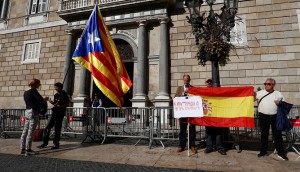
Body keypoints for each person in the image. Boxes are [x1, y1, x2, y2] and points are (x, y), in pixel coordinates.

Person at [255, 78, 288, 160]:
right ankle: (263, 151)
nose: (266, 85)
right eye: (265, 84)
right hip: (263, 116)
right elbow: (251, 99)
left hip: (275, 116)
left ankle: (281, 153)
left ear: (273, 85)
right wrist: (251, 93)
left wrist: (280, 103)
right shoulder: (260, 93)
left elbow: (284, 104)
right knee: (264, 134)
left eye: (268, 84)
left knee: (277, 135)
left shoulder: (278, 93)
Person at [21, 79, 48, 156]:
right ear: (35, 84)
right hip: (33, 112)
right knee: (31, 131)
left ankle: (22, 148)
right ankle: (28, 149)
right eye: (39, 84)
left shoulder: (26, 91)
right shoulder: (34, 91)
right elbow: (39, 100)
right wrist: (44, 100)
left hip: (27, 111)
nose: (39, 85)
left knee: (25, 130)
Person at [38, 82, 69, 150]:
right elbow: (55, 103)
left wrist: (60, 106)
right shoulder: (56, 95)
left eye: (56, 87)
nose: (55, 89)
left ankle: (56, 144)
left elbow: (67, 104)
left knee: (57, 129)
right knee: (47, 128)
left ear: (60, 87)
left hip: (59, 114)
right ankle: (45, 142)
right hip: (54, 113)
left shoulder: (65, 95)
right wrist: (51, 102)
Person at [175, 74, 197, 154]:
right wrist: (182, 95)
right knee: (182, 130)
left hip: (191, 113)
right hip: (182, 112)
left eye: (187, 80)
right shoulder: (179, 88)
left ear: (189, 80)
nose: (186, 81)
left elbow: (196, 99)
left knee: (192, 130)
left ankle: (192, 146)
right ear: (183, 80)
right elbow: (175, 98)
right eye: (185, 80)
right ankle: (181, 145)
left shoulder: (193, 88)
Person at [204, 79, 226, 155]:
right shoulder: (202, 91)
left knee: (218, 132)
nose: (209, 83)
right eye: (208, 82)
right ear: (205, 84)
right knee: (208, 132)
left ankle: (219, 147)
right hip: (207, 115)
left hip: (216, 114)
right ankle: (209, 147)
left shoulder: (217, 91)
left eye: (211, 82)